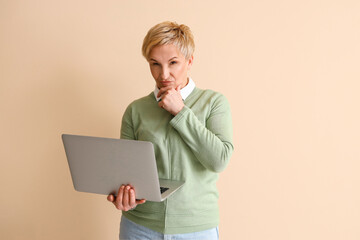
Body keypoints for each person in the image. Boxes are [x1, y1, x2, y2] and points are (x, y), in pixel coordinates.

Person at [107, 21, 234, 240]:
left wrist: (181, 111)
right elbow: (126, 172)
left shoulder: (214, 103)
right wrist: (123, 195)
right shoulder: (135, 110)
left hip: (196, 229)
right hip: (139, 227)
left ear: (190, 61)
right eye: (155, 64)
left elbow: (219, 160)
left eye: (173, 62)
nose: (163, 74)